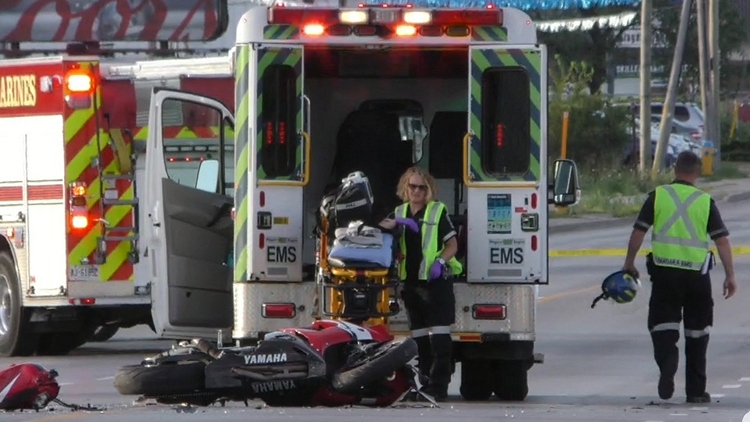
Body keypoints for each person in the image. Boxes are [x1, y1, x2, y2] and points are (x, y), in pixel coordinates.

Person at [622, 150, 737, 404]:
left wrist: (629, 263)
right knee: (698, 333)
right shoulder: (705, 201)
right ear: (697, 172)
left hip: (665, 275)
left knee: (662, 324)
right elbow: (722, 240)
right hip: (697, 277)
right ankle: (696, 391)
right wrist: (730, 275)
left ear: (675, 170)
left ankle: (667, 361)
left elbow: (638, 233)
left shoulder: (658, 196)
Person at [380, 166, 462, 402]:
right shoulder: (399, 212)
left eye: (421, 187)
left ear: (429, 190)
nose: (416, 191)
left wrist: (439, 261)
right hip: (412, 283)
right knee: (418, 340)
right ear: (405, 187)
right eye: (412, 186)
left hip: (436, 283)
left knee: (440, 339)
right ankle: (423, 382)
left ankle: (439, 386)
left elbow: (453, 245)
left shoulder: (437, 211)